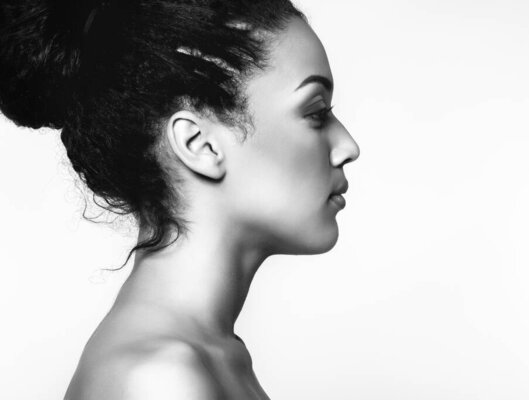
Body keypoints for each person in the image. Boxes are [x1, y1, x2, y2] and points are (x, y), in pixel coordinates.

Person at [0, 0, 360, 398]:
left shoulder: (213, 355)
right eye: (315, 112)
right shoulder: (159, 377)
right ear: (199, 144)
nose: (347, 146)